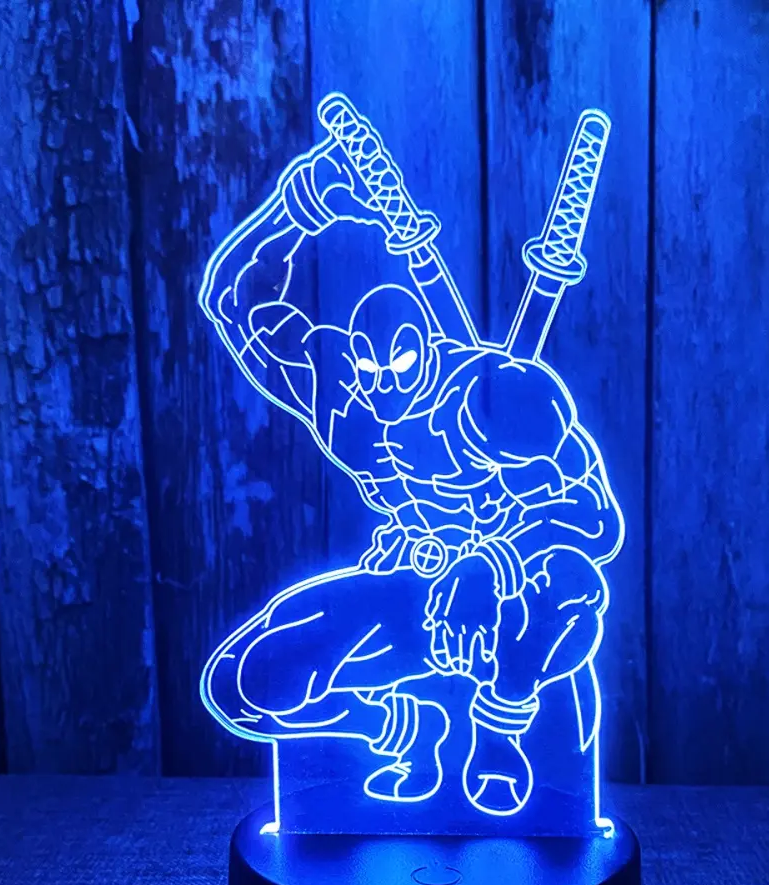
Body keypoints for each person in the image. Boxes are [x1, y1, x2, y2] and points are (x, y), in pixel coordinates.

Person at [199, 136, 623, 816]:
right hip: (406, 597)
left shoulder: (498, 397)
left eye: (400, 369)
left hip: (512, 612)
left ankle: (499, 726)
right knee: (241, 684)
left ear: (427, 350)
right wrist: (301, 204)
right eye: (369, 374)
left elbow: (595, 525)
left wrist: (494, 563)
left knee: (576, 588)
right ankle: (398, 730)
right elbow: (233, 299)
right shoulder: (342, 399)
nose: (385, 389)